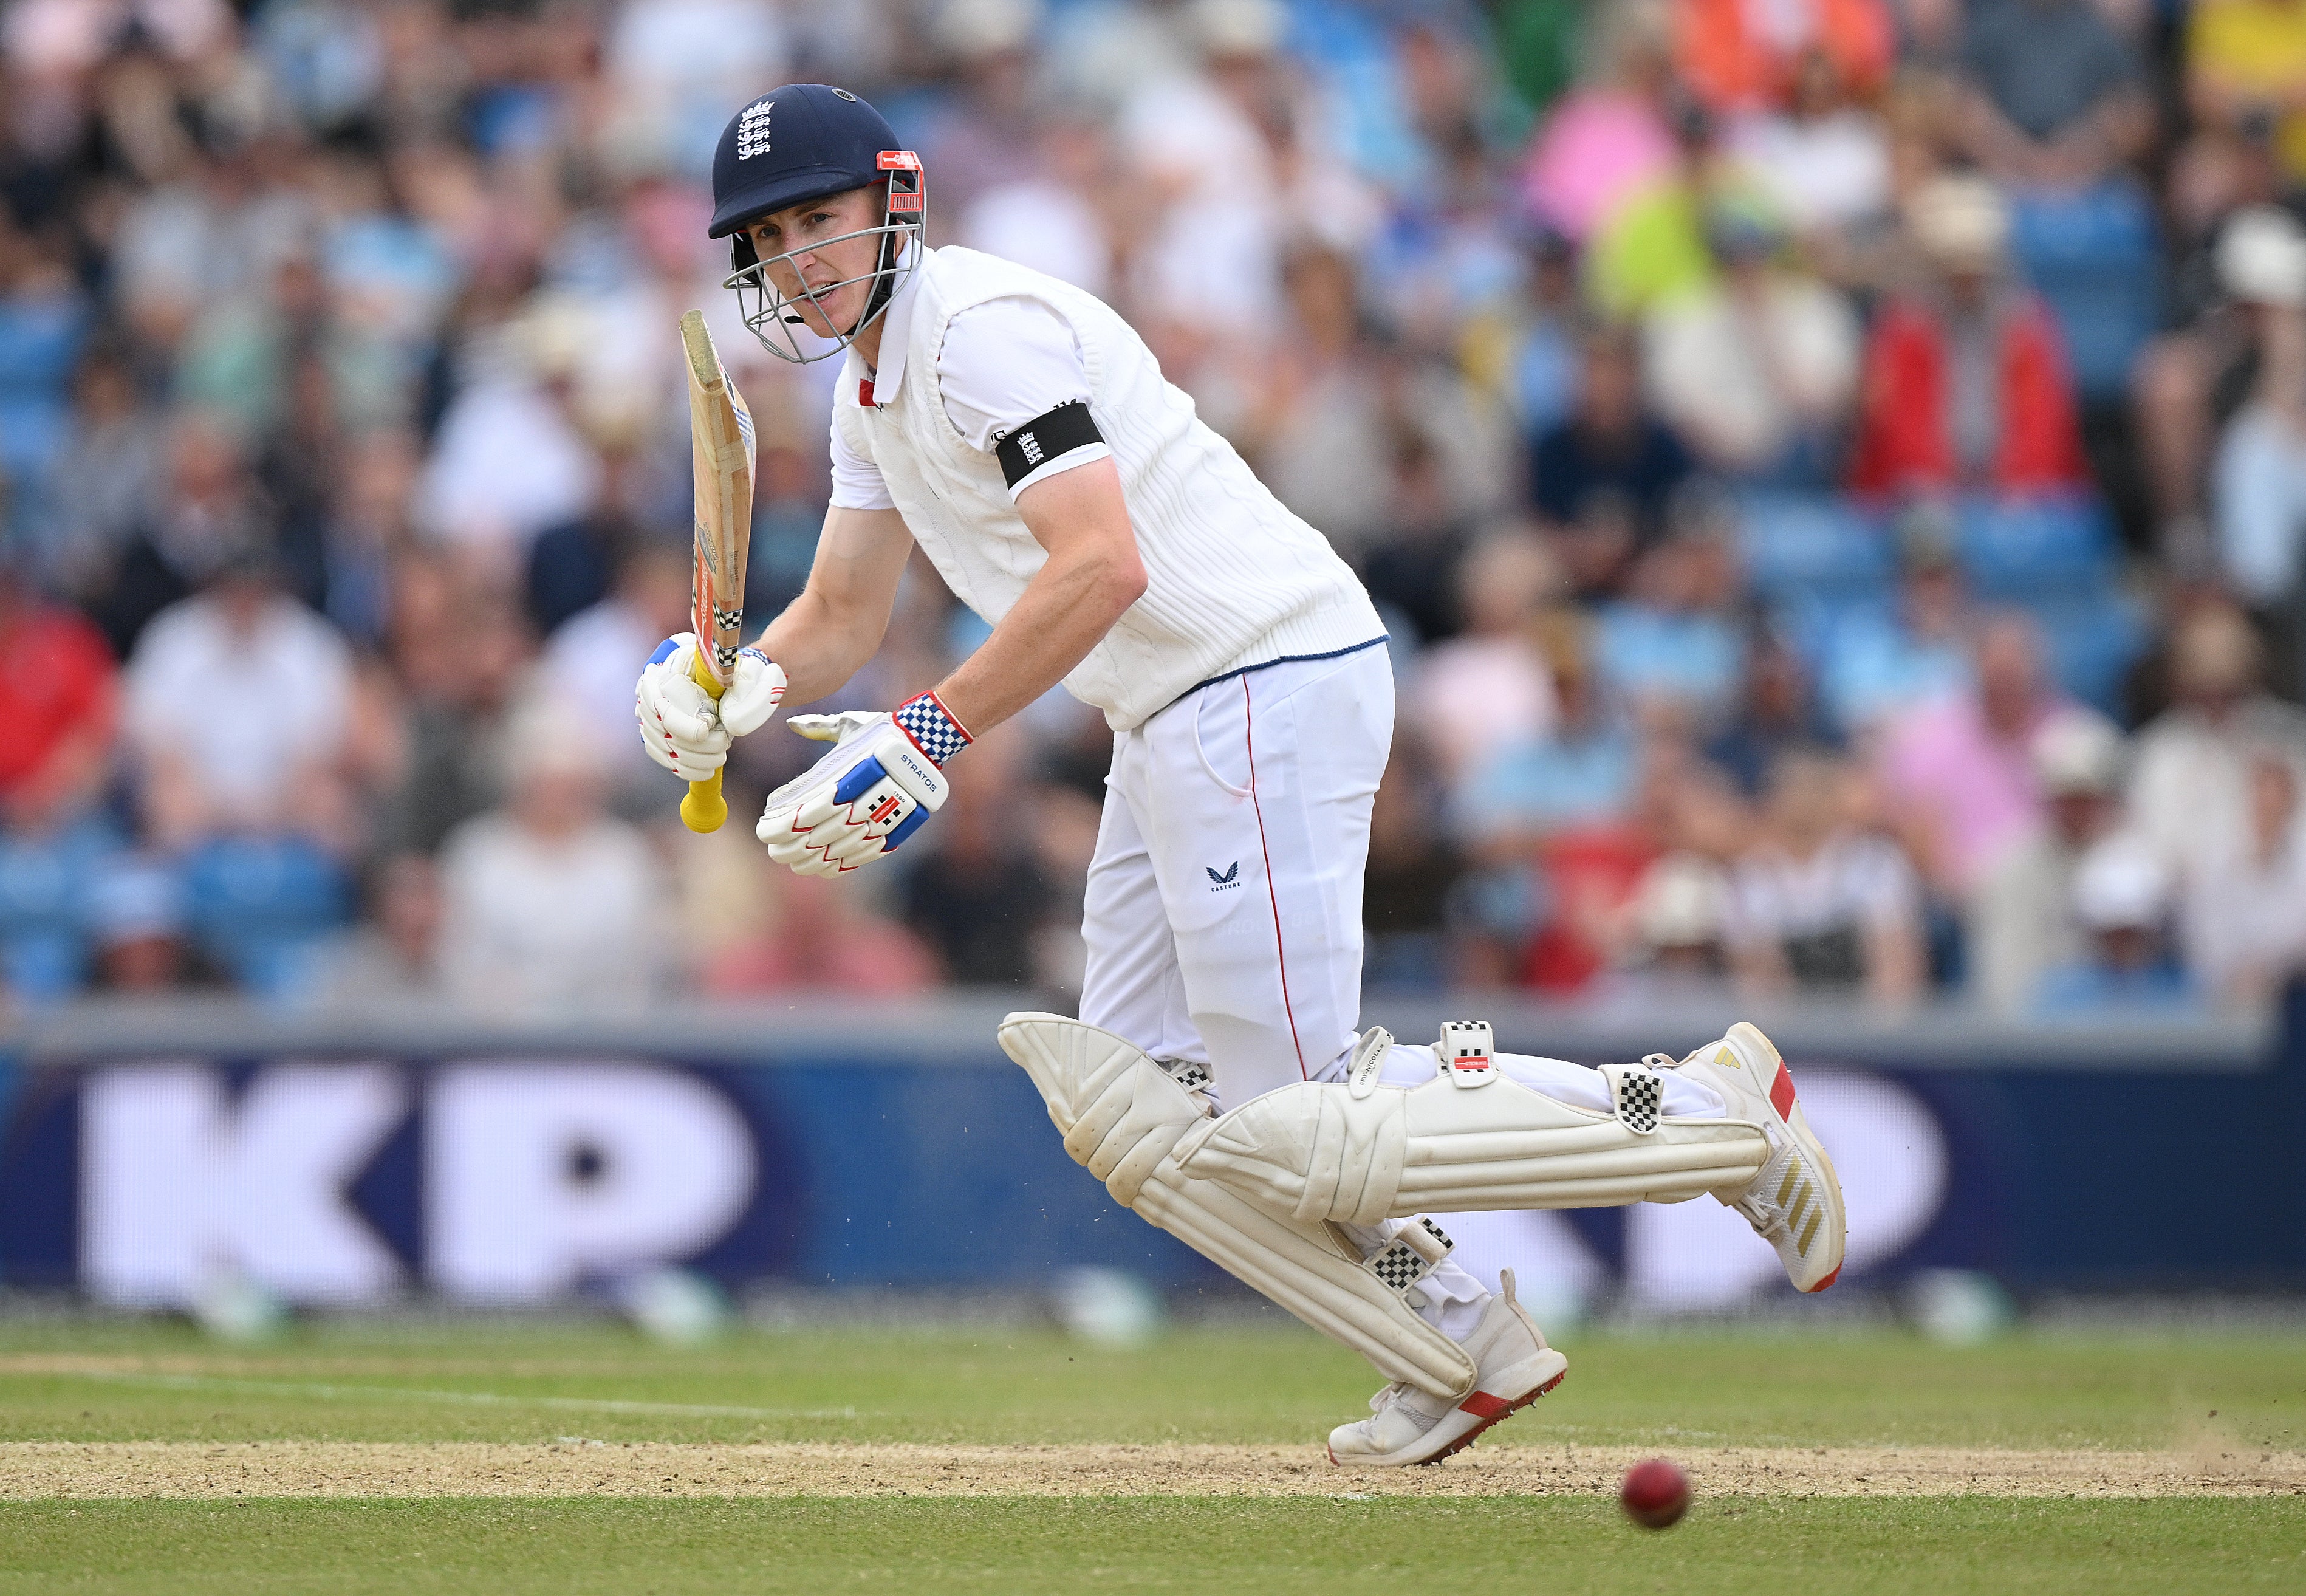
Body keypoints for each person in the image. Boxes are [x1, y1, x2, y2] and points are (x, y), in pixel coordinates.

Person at [632, 84, 1846, 1468]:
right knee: (1142, 1111)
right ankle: (1452, 1335)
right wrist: (728, 685)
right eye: (771, 237)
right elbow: (842, 612)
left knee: (1301, 1124)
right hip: (1170, 712)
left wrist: (929, 737)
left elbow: (1101, 563)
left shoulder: (977, 335)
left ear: (893, 203)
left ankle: (1705, 1117)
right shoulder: (870, 388)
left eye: (819, 220)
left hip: (1259, 675)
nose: (798, 258)